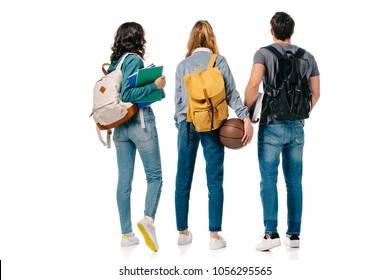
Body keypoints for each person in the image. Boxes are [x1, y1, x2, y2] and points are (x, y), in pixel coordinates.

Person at [174, 20, 253, 250]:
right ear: (211, 39)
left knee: (183, 179)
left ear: (192, 40)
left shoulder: (182, 65)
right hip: (214, 126)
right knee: (215, 180)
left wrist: (181, 125)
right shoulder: (219, 61)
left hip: (188, 125)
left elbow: (178, 102)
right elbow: (232, 94)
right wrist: (245, 118)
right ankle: (214, 236)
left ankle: (182, 232)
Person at [244, 12, 320, 251]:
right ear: (292, 32)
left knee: (268, 180)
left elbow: (255, 85)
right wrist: (299, 112)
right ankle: (294, 236)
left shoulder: (264, 53)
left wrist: (247, 114)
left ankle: (270, 235)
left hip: (272, 125)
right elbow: (316, 93)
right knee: (294, 182)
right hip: (297, 127)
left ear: (272, 30)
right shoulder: (308, 57)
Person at [108, 22, 166, 252]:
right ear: (138, 39)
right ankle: (148, 219)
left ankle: (126, 234)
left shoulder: (115, 64)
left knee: (124, 181)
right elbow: (128, 94)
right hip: (140, 123)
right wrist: (155, 84)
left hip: (119, 127)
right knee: (155, 176)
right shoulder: (134, 59)